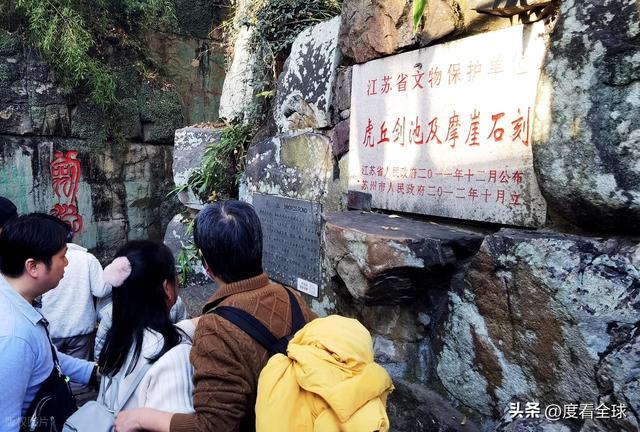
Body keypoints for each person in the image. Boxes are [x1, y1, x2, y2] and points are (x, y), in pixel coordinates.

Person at [115, 200, 316, 432]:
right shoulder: (292, 298)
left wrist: (141, 417)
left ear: (207, 267)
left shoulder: (215, 330)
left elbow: (212, 427)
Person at [0, 214, 96, 431]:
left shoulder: (19, 301)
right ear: (33, 266)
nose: (66, 263)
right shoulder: (13, 337)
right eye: (62, 256)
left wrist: (93, 372)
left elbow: (45, 357)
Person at [97, 240, 195, 413]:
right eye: (176, 274)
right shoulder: (174, 355)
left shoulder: (117, 340)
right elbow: (175, 419)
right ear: (167, 288)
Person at [39, 242, 110, 364]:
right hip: (80, 327)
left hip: (52, 328)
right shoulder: (87, 259)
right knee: (79, 369)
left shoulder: (45, 257)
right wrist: (112, 275)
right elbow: (101, 290)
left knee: (54, 368)